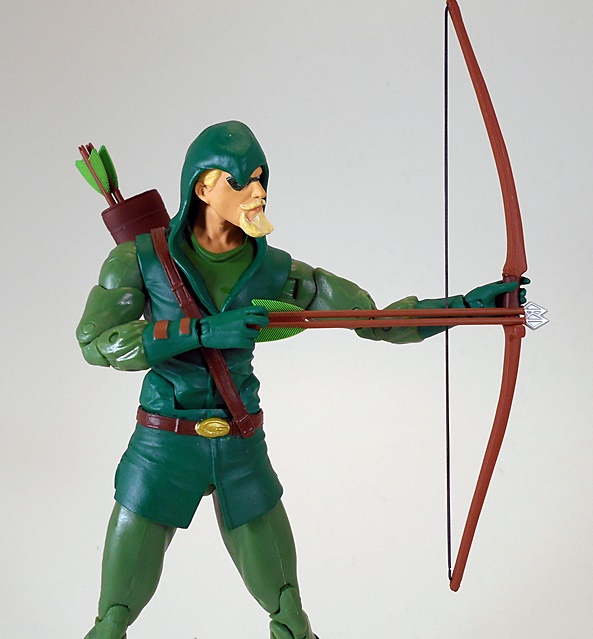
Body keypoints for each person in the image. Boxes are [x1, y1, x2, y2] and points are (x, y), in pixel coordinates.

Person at [78, 120, 526, 639]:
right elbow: (96, 342)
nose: (258, 192)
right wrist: (201, 331)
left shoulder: (275, 272)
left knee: (289, 613)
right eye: (242, 181)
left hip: (240, 445)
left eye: (261, 178)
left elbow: (377, 320)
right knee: (112, 619)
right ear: (203, 187)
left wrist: (470, 308)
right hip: (162, 445)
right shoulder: (140, 259)